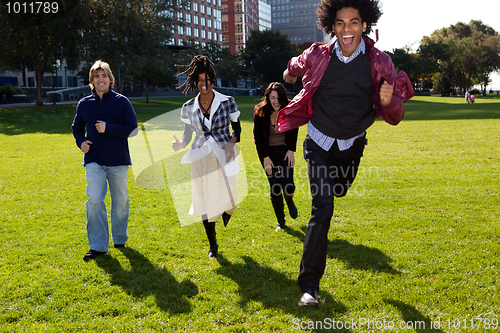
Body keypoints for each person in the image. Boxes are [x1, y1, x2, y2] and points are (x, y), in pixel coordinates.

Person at [278, 0, 414, 307]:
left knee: (339, 191)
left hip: (351, 145)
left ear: (365, 25)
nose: (347, 29)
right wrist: (288, 73)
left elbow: (394, 116)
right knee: (322, 209)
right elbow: (296, 63)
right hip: (319, 144)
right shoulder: (318, 54)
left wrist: (390, 100)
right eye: (340, 23)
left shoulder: (380, 62)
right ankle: (309, 287)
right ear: (332, 26)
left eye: (353, 22)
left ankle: (338, 186)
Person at [172, 55, 241, 259]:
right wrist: (180, 144)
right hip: (200, 157)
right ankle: (213, 245)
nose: (204, 83)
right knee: (203, 200)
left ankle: (227, 211)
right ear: (195, 82)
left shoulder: (227, 102)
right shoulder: (188, 108)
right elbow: (186, 135)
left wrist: (230, 143)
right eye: (200, 80)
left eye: (207, 78)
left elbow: (237, 128)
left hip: (224, 154)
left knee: (230, 198)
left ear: (213, 78)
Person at [71, 60, 138, 262]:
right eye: (97, 76)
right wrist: (81, 142)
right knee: (94, 199)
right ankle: (98, 246)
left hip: (118, 160)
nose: (101, 79)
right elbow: (76, 127)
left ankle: (119, 238)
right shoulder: (84, 104)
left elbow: (132, 128)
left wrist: (108, 127)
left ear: (110, 79)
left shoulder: (122, 101)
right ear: (92, 80)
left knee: (121, 202)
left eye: (104, 76)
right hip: (94, 160)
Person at [253, 82, 299, 231]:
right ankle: (281, 221)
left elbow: (294, 128)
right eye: (272, 98)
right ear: (268, 98)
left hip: (285, 150)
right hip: (268, 153)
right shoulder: (260, 111)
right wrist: (265, 157)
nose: (276, 101)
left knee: (288, 184)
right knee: (275, 187)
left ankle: (289, 199)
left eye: (279, 98)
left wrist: (291, 149)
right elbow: (258, 137)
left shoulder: (290, 108)